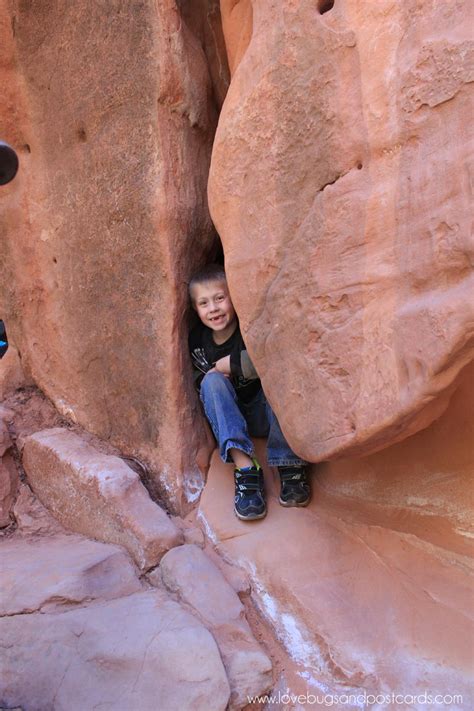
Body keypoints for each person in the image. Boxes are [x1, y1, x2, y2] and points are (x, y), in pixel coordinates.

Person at [188, 263, 310, 521]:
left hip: (267, 412)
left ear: (233, 297)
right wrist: (215, 376)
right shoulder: (197, 340)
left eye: (220, 298)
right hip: (232, 420)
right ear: (195, 309)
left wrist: (230, 364)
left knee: (278, 376)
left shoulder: (248, 329)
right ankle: (246, 470)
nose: (214, 309)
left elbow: (273, 358)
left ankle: (289, 463)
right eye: (204, 303)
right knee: (210, 383)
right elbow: (205, 389)